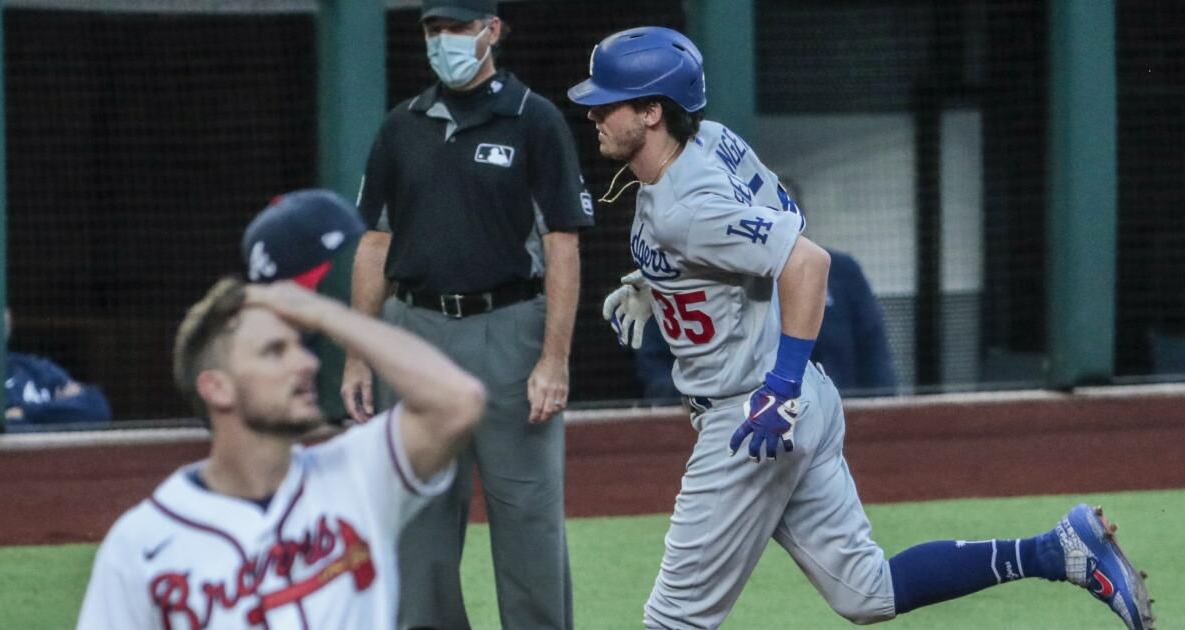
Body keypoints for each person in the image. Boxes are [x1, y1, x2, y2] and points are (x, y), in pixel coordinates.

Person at [571, 27, 1154, 630]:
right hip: (802, 403)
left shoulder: (688, 208)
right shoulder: (711, 142)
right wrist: (662, 283)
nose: (592, 112)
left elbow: (806, 262)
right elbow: (777, 223)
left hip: (752, 419)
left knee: (673, 620)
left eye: (608, 101)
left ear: (652, 111)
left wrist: (780, 388)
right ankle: (1056, 550)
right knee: (867, 595)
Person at [77, 190, 486, 629]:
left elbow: (458, 400)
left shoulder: (359, 475)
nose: (306, 362)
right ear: (218, 389)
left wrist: (325, 314)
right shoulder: (142, 545)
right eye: (274, 351)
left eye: (301, 344)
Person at [344, 1, 593, 627]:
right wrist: (358, 352)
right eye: (434, 28)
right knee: (418, 521)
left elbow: (563, 243)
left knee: (528, 518)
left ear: (493, 31)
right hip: (415, 333)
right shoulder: (400, 126)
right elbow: (375, 241)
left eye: (457, 27)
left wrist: (554, 358)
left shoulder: (535, 120)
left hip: (510, 331)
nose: (444, 40)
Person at [811, 249, 898, 396]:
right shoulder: (762, 275)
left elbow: (873, 346)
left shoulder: (840, 269)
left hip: (846, 406)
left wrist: (883, 408)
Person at [4, 309, 113, 427]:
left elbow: (97, 409)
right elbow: (3, 427)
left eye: (3, 310)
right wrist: (56, 411)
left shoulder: (34, 368)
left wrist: (23, 412)